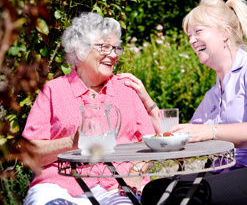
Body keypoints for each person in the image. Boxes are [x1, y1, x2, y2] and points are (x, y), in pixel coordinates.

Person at [122, 0, 247, 205]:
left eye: (198, 32)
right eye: (189, 35)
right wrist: (146, 100)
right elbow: (180, 139)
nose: (192, 41)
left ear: (225, 34)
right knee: (155, 192)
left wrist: (208, 131)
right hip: (228, 171)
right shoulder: (213, 93)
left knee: (191, 197)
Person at [22, 12, 160, 205]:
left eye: (116, 48)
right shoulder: (54, 90)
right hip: (61, 185)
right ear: (79, 50)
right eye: (105, 47)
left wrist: (135, 174)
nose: (113, 55)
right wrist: (73, 142)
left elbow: (151, 144)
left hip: (118, 187)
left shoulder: (126, 89)